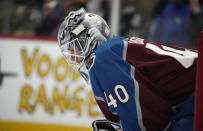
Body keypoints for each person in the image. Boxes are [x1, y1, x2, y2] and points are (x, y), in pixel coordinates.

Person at [57, 8, 198, 131]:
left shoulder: (102, 58)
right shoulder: (112, 51)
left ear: (90, 38)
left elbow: (145, 122)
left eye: (74, 47)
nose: (73, 57)